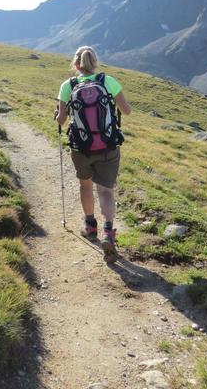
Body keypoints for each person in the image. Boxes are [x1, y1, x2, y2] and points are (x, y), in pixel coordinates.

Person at [55, 46, 131, 263]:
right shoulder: (109, 82)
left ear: (76, 64)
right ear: (95, 62)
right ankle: (108, 231)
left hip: (81, 148)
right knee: (105, 191)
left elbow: (61, 120)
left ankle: (90, 226)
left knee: (85, 186)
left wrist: (60, 114)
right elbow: (126, 111)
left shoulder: (68, 86)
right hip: (108, 145)